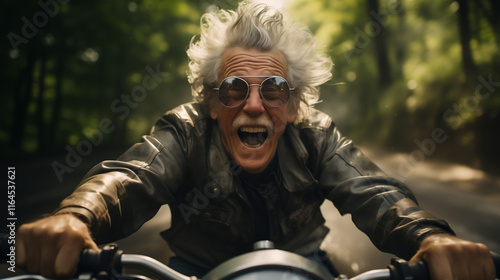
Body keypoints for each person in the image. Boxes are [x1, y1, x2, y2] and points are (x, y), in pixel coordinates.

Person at [17, 2, 495, 280]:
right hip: (193, 271)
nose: (252, 105)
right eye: (233, 88)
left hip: (303, 264)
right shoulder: (183, 130)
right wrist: (74, 218)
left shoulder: (316, 135)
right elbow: (130, 176)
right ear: (211, 102)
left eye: (273, 89)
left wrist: (431, 238)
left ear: (291, 104)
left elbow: (376, 192)